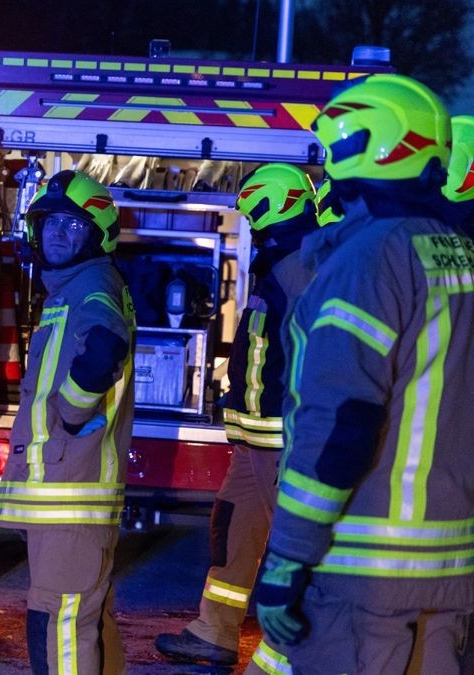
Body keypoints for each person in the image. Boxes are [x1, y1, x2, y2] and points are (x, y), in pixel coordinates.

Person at [254, 73, 474, 674]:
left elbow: (341, 421)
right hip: (451, 572)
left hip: (364, 575)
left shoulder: (368, 258)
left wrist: (287, 559)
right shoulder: (458, 251)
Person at [154, 164, 321, 667]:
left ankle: (297, 653)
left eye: (252, 213)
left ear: (274, 207)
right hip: (256, 442)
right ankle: (214, 631)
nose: (248, 224)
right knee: (231, 529)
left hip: (281, 442)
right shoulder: (282, 261)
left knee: (299, 554)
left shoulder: (301, 266)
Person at [0, 170, 134, 675]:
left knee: (61, 619)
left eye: (72, 227)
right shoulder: (75, 287)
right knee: (90, 617)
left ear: (96, 235)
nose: (57, 234)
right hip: (68, 491)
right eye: (50, 223)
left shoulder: (91, 287)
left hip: (70, 492)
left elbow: (104, 348)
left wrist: (70, 415)